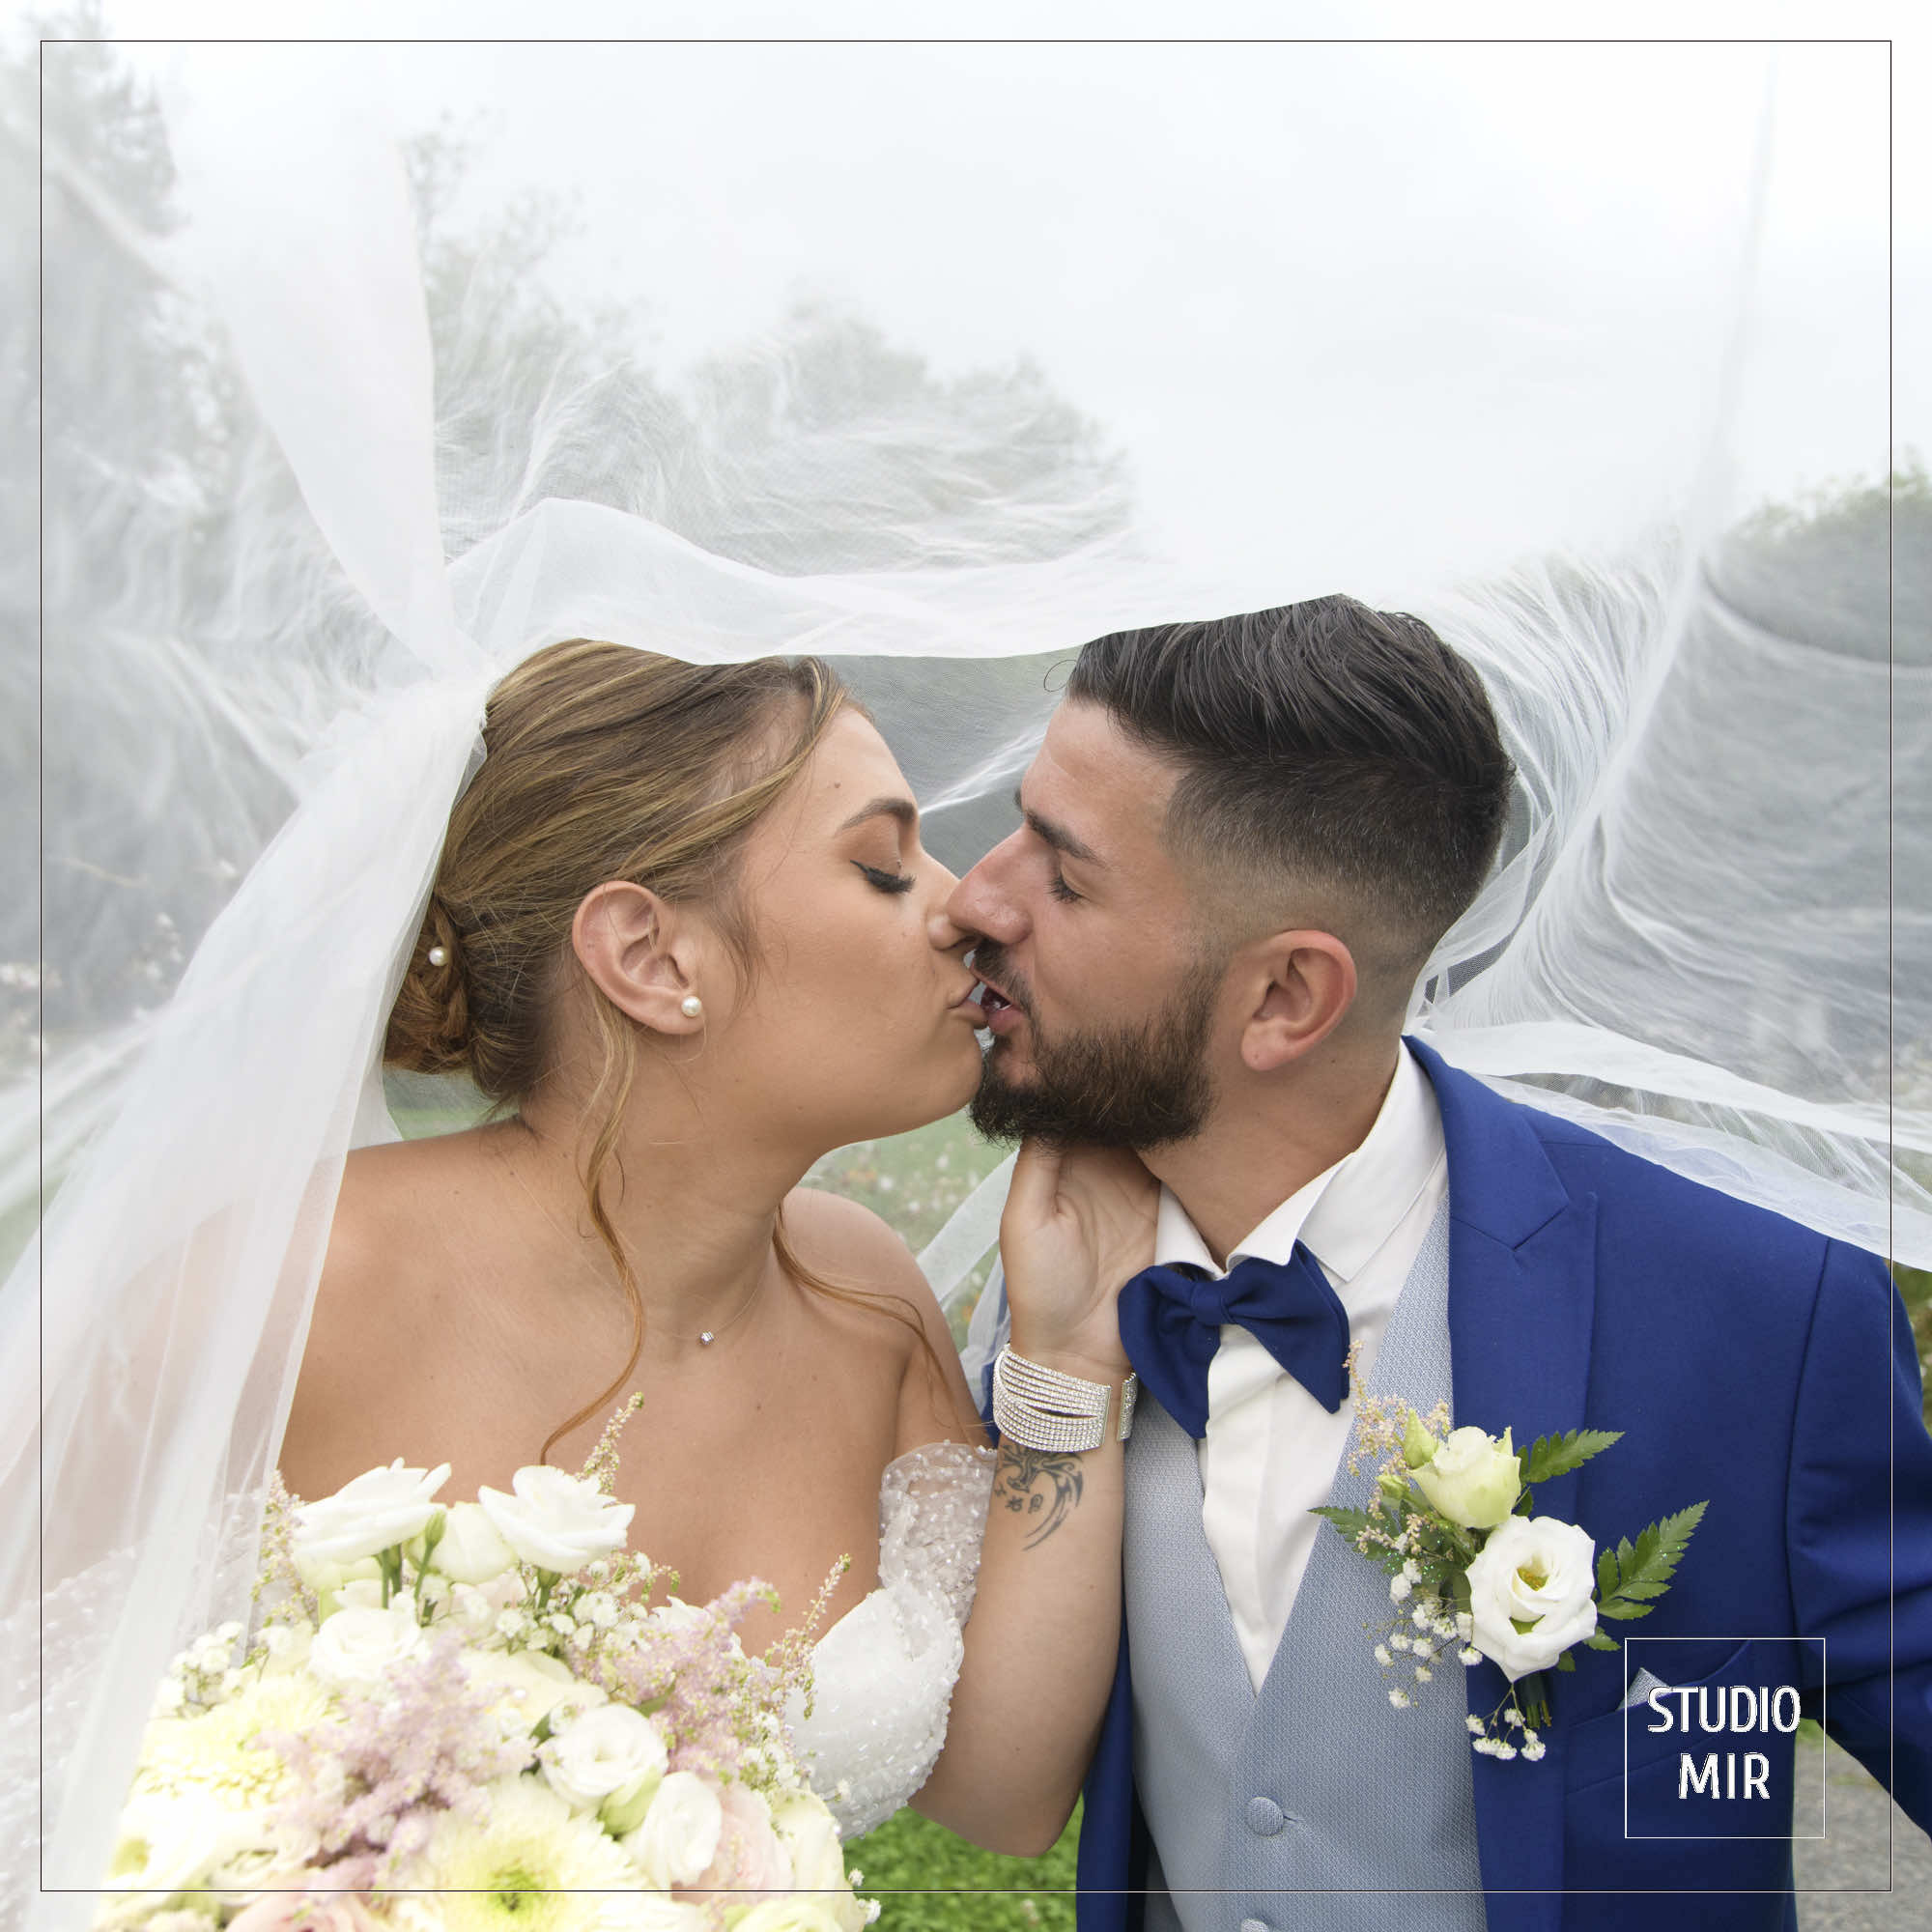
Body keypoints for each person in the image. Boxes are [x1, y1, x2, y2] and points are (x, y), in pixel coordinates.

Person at [948, 596, 1932, 1931]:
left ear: (1289, 995)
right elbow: (1003, 1788)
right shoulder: (1055, 1292)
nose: (976, 896)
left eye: (1064, 875)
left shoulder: (1760, 1319)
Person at [274, 634, 1150, 1851]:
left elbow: (999, 1791)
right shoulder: (297, 1288)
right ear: (648, 955)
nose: (962, 906)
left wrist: (1069, 1355)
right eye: (884, 867)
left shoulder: (868, 1297)